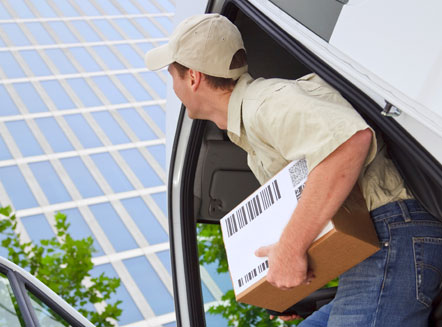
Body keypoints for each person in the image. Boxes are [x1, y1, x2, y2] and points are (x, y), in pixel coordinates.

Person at [145, 13, 442, 326]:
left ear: (193, 77)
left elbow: (349, 144)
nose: (173, 83)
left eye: (172, 74)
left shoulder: (265, 105)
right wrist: (292, 265)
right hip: (374, 243)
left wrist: (290, 249)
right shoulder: (252, 131)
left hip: (393, 231)